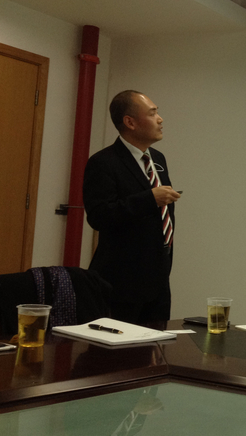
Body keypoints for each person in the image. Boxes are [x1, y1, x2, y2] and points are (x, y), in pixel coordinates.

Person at [83, 90, 181, 323]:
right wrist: (149, 199)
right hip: (121, 282)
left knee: (157, 343)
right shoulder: (103, 162)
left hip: (158, 278)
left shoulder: (158, 158)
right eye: (152, 113)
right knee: (120, 346)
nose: (160, 119)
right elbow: (99, 216)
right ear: (130, 122)